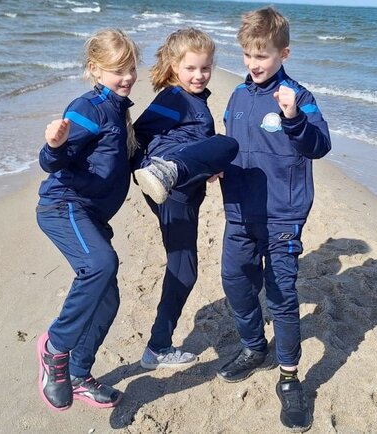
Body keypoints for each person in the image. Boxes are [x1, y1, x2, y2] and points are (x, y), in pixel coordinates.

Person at [218, 7, 331, 432]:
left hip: (283, 213)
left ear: (284, 53)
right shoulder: (238, 96)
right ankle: (254, 346)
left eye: (262, 55)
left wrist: (293, 118)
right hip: (239, 211)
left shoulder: (298, 96)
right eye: (248, 55)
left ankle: (289, 377)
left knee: (281, 294)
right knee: (235, 279)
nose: (253, 63)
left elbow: (320, 145)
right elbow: (230, 145)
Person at [35, 28, 139, 412]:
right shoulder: (87, 108)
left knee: (107, 300)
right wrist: (54, 144)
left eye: (131, 68)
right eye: (117, 70)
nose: (127, 77)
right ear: (95, 69)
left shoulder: (119, 110)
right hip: (64, 206)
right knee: (100, 264)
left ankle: (78, 373)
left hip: (91, 215)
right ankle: (55, 348)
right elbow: (52, 162)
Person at [132, 28, 238, 369]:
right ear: (173, 66)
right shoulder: (174, 98)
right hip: (172, 189)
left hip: (181, 187)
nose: (199, 75)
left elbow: (187, 138)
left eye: (205, 68)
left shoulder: (193, 99)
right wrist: (155, 167)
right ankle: (158, 347)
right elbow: (140, 135)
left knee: (185, 268)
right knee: (228, 144)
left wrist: (203, 166)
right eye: (190, 68)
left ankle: (158, 345)